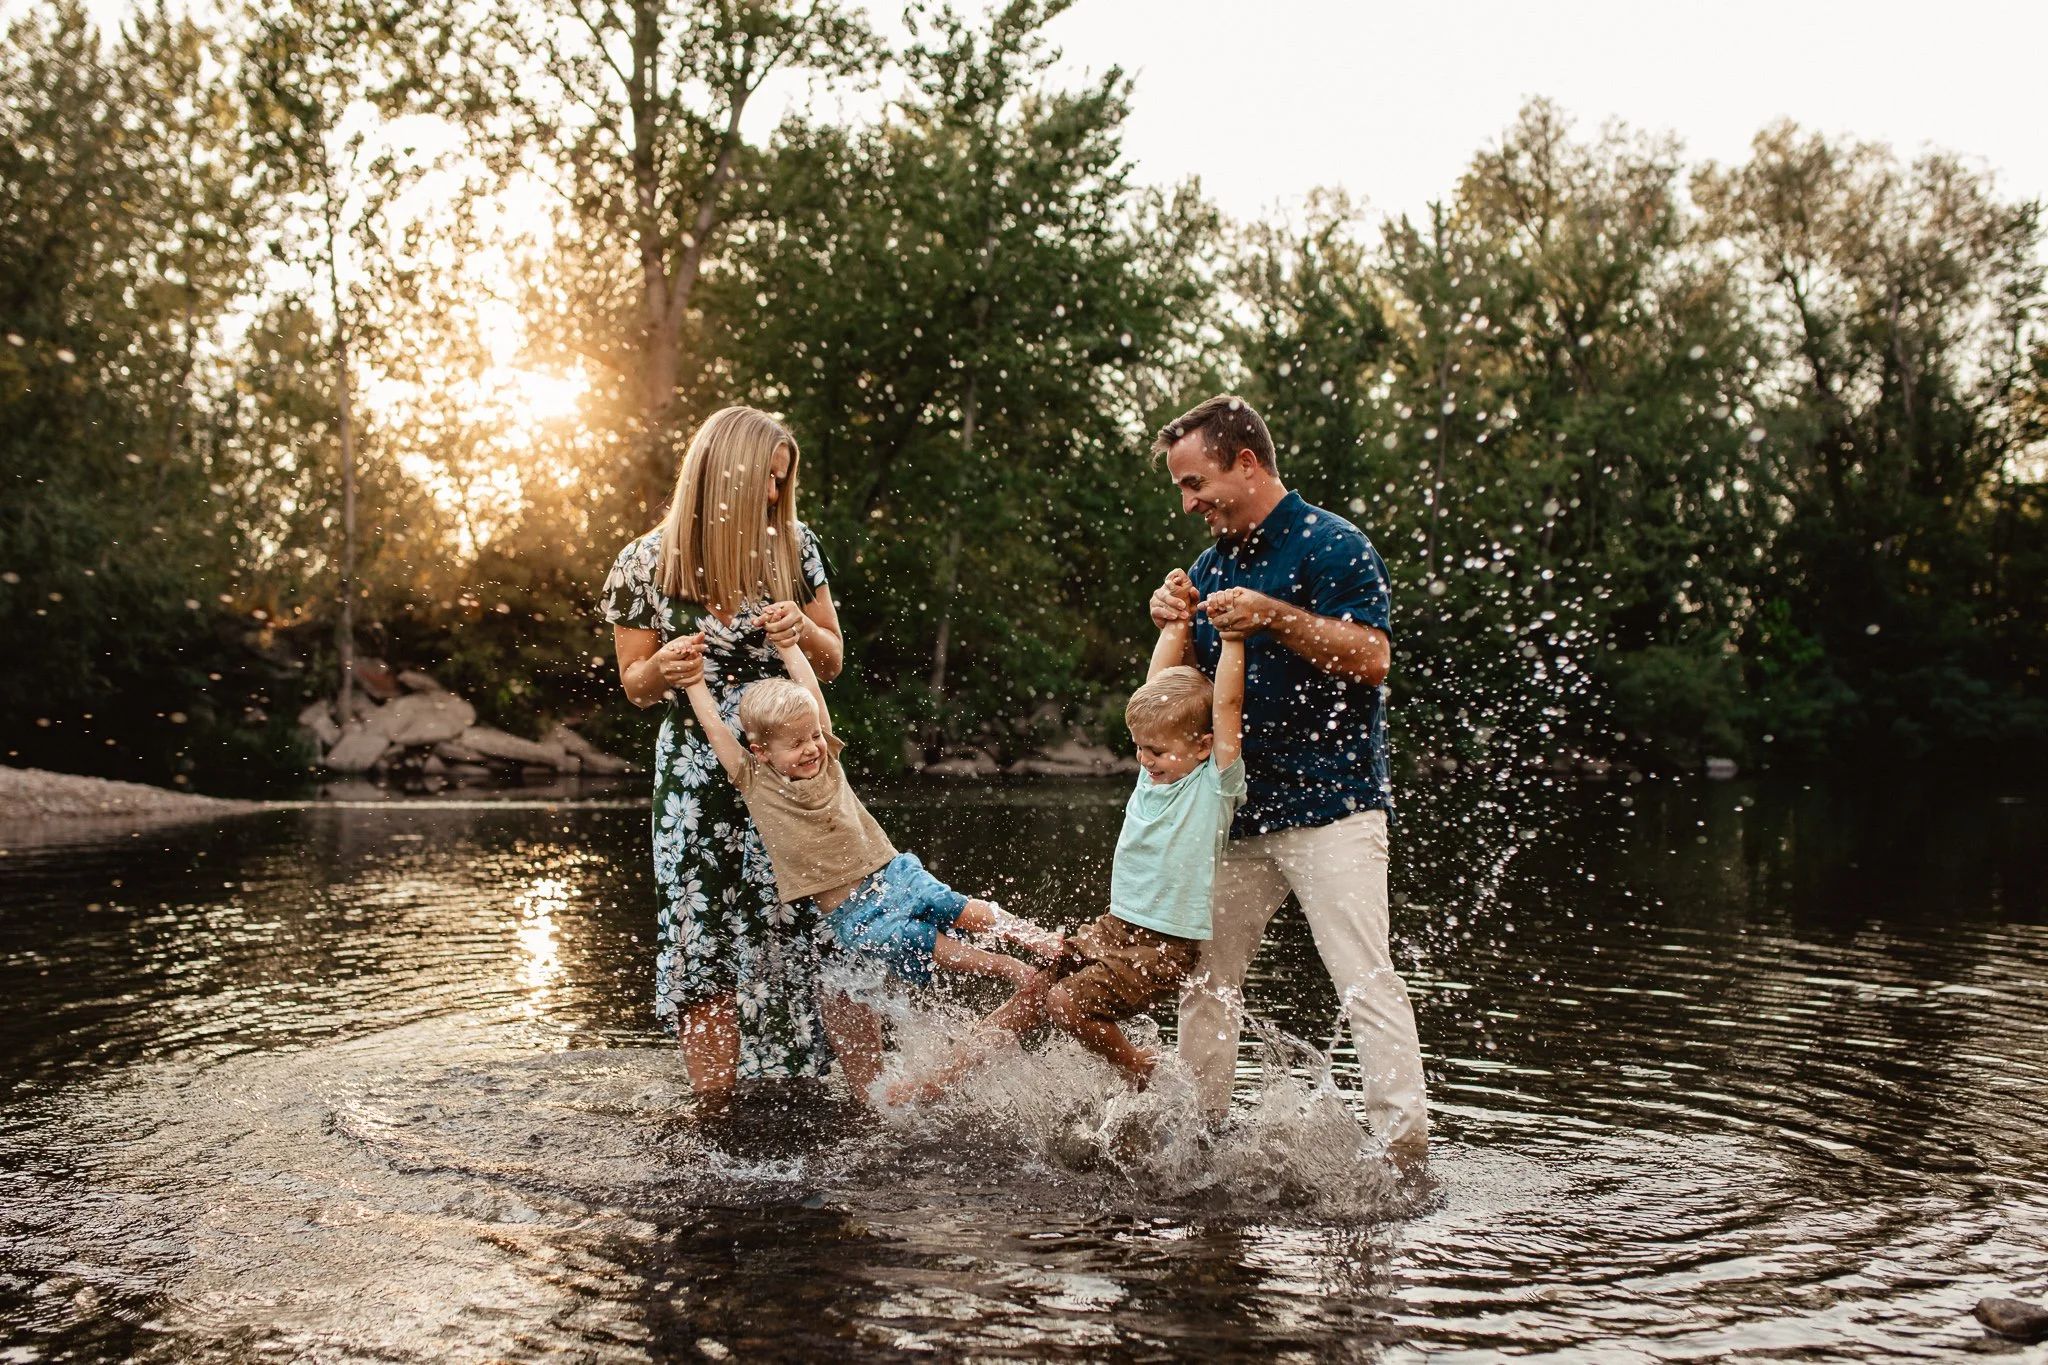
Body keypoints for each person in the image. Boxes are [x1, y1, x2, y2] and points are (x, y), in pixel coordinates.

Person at [1149, 393, 1429, 1159]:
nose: (1189, 502)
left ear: (1245, 463)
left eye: (1195, 482)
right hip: (1235, 812)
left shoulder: (1332, 544)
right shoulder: (1211, 565)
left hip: (1333, 807)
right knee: (1204, 981)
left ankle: (1404, 1152)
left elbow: (1372, 658)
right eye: (1181, 487)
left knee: (1366, 981)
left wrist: (1274, 614)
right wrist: (1172, 626)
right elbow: (1181, 702)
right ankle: (1196, 1135)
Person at [675, 624, 1062, 1096]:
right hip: (854, 914)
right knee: (924, 941)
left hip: (893, 872)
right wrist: (694, 682)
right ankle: (1011, 969)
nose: (812, 748)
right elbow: (717, 731)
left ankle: (1043, 942)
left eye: (814, 736)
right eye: (796, 744)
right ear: (761, 752)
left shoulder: (829, 759)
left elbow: (813, 694)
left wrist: (790, 646)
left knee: (960, 906)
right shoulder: (754, 781)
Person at [889, 619, 1246, 1101]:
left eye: (1157, 751)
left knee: (1064, 1003)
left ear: (1203, 747)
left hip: (1163, 946)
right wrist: (1176, 626)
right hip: (1115, 928)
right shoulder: (1153, 778)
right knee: (1038, 986)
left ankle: (1138, 1068)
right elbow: (1152, 684)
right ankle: (943, 1080)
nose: (1144, 759)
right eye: (1139, 748)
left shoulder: (1211, 787)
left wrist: (1232, 639)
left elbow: (1227, 706)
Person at [603, 405, 846, 1099]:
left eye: (782, 482)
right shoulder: (646, 562)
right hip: (694, 775)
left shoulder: (796, 547)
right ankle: (716, 1112)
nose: (776, 494)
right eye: (767, 480)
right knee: (699, 932)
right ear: (724, 475)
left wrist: (801, 629)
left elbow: (832, 660)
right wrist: (666, 667)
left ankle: (794, 1099)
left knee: (797, 927)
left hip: (790, 763)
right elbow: (634, 684)